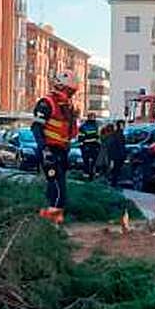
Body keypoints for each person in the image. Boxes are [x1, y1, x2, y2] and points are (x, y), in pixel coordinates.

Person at [33, 71, 79, 224]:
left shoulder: (68, 107)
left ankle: (51, 220)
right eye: (69, 90)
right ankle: (51, 221)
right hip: (49, 150)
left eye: (72, 91)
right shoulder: (46, 103)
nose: (71, 94)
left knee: (60, 188)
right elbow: (36, 128)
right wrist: (45, 150)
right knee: (57, 187)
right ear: (61, 87)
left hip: (61, 151)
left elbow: (70, 132)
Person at [103, 121, 128, 188]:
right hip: (117, 155)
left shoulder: (117, 134)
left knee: (115, 170)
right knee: (115, 170)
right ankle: (113, 183)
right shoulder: (117, 135)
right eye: (122, 125)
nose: (123, 127)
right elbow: (119, 146)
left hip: (117, 155)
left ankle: (113, 182)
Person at [78, 115, 102, 179]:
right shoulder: (96, 126)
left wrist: (81, 145)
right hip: (93, 145)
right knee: (93, 160)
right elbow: (98, 136)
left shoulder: (83, 126)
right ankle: (92, 174)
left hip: (86, 145)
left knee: (86, 161)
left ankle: (87, 174)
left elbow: (80, 137)